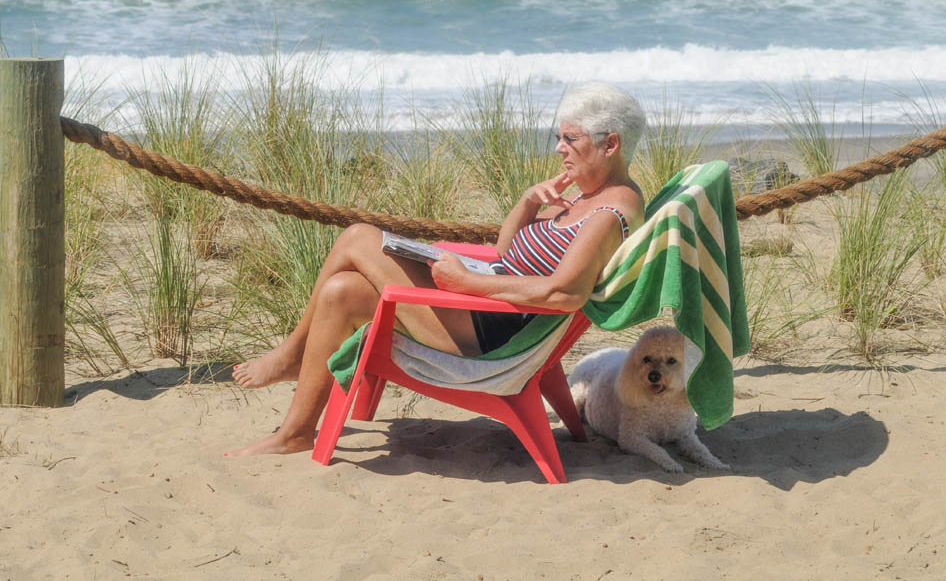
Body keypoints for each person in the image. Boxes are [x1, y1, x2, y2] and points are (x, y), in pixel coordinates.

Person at [227, 81, 647, 456]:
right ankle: (297, 433)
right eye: (558, 137)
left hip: (489, 334)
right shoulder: (587, 196)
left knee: (358, 236)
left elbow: (564, 294)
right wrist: (528, 202)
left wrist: (467, 281)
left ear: (610, 144)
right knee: (341, 291)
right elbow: (506, 253)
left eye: (570, 139)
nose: (559, 149)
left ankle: (290, 356)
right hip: (482, 307)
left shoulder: (608, 212)